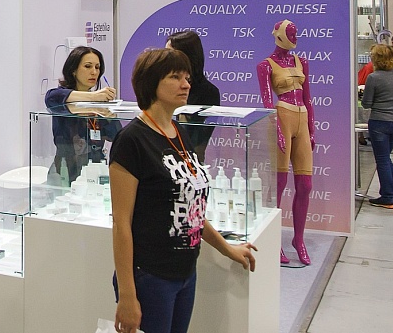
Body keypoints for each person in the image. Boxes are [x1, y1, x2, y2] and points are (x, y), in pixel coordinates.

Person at [110, 48, 256, 333]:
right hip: (150, 275)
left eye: (187, 77)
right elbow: (121, 224)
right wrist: (127, 294)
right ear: (152, 82)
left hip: (185, 273)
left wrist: (227, 249)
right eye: (175, 77)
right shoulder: (132, 140)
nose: (185, 84)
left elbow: (192, 211)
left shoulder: (179, 133)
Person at [256, 19, 315, 265]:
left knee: (305, 184)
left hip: (301, 118)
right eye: (291, 34)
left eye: (296, 34)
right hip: (282, 117)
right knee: (279, 184)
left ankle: (298, 239)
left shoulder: (302, 62)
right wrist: (277, 129)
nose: (295, 38)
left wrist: (312, 128)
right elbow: (267, 102)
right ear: (280, 35)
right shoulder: (265, 65)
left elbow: (308, 97)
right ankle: (274, 239)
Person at [44, 46, 118, 182]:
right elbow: (51, 99)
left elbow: (116, 136)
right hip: (67, 170)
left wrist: (109, 114)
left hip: (96, 169)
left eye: (97, 67)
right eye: (88, 66)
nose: (94, 72)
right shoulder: (58, 95)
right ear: (73, 70)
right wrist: (94, 97)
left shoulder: (99, 103)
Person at [361, 45, 393, 208]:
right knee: (386, 158)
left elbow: (366, 103)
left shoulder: (373, 78)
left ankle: (387, 196)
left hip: (380, 121)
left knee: (382, 160)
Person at [166, 30, 220, 160]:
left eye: (170, 54)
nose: (164, 60)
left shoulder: (208, 93)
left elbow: (196, 144)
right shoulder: (164, 86)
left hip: (187, 161)